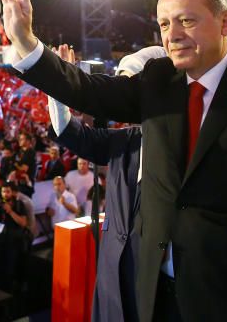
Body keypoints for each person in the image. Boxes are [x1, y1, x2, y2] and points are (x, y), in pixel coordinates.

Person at [0, 0, 227, 321]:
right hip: (153, 296)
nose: (172, 35)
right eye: (163, 24)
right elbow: (88, 90)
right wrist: (26, 42)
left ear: (225, 22)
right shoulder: (158, 80)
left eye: (186, 21)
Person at [49, 44, 163, 322]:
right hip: (112, 290)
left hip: (156, 294)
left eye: (130, 88)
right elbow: (69, 132)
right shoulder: (125, 140)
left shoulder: (190, 152)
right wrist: (58, 84)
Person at [0, 181, 29, 293]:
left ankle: (12, 290)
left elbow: (23, 223)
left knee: (12, 267)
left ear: (12, 193)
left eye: (8, 191)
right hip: (0, 241)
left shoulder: (19, 204)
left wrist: (10, 212)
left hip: (14, 242)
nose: (6, 194)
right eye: (3, 191)